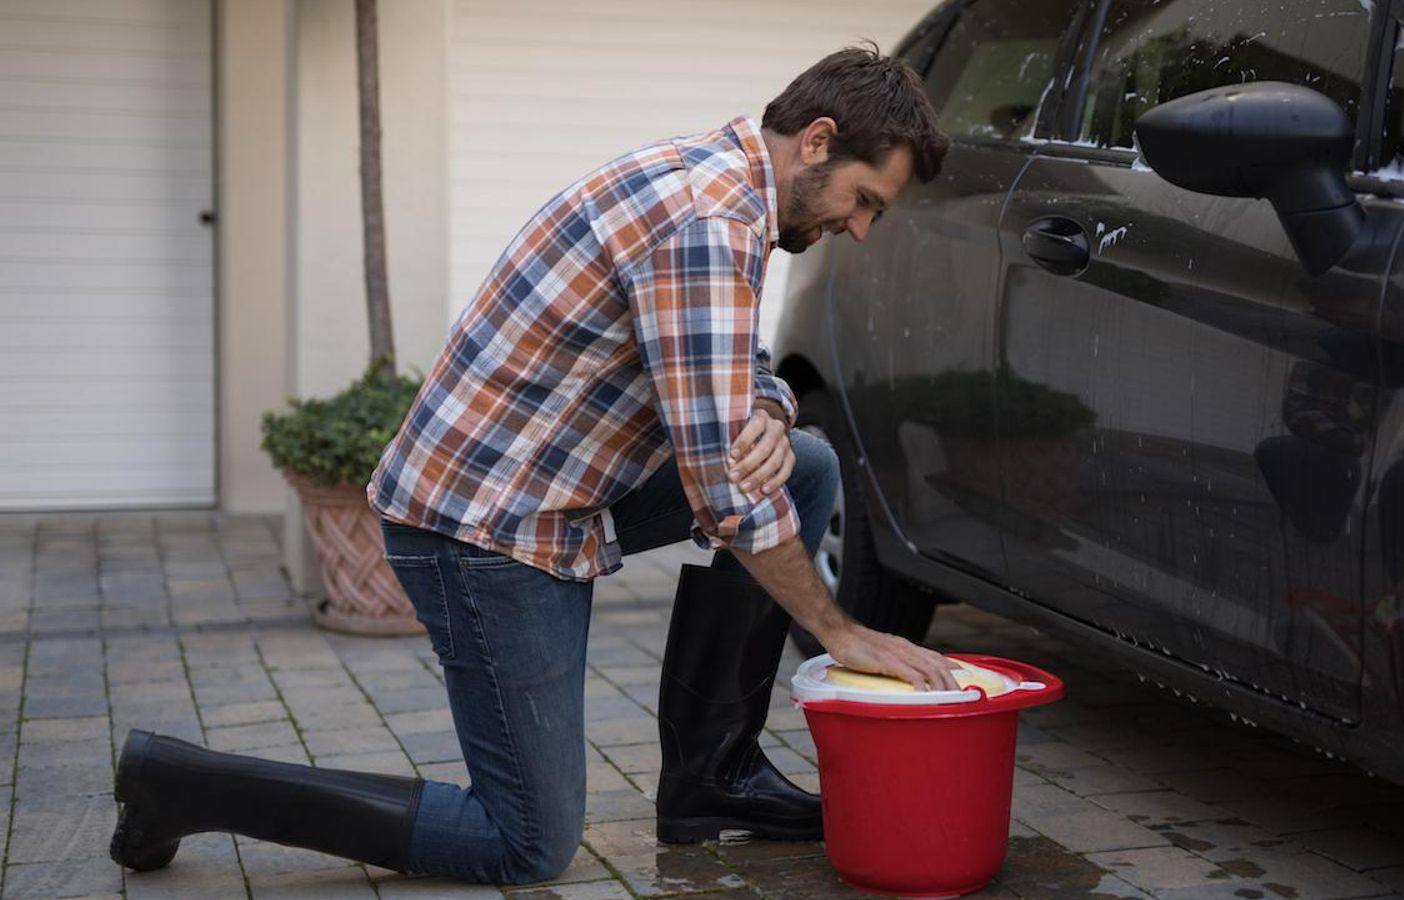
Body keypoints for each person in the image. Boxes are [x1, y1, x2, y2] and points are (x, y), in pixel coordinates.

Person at [109, 45, 957, 885]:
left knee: (800, 465)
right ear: (816, 141)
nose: (858, 227)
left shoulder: (722, 187)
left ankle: (712, 782)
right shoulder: (708, 222)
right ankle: (178, 784)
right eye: (863, 200)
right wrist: (841, 630)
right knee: (527, 844)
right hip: (482, 533)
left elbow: (729, 366)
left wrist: (769, 407)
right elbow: (725, 488)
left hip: (548, 490)